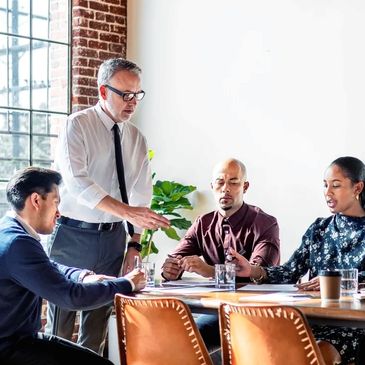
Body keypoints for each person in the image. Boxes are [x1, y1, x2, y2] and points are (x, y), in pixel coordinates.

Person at [45, 58, 169, 354]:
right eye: (125, 94)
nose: (132, 102)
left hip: (113, 239)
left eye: (137, 95)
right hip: (72, 236)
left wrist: (134, 245)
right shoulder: (78, 125)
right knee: (60, 328)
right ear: (103, 92)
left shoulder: (136, 138)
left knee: (96, 329)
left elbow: (141, 194)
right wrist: (127, 212)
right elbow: (77, 182)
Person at [0, 167, 146, 365]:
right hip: (11, 348)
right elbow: (71, 297)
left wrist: (82, 275)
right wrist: (127, 284)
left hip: (19, 340)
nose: (58, 213)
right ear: (36, 200)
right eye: (56, 203)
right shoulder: (18, 242)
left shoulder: (10, 231)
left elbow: (48, 266)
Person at [230, 156, 365, 365]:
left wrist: (336, 283)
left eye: (336, 186)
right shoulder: (319, 229)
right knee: (263, 340)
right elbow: (290, 272)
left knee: (319, 351)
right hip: (313, 318)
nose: (327, 193)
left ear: (358, 188)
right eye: (325, 185)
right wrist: (253, 271)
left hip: (354, 325)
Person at [161, 158, 280, 354]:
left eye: (233, 182)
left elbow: (260, 274)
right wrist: (170, 270)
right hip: (219, 311)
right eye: (220, 182)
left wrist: (209, 271)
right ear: (212, 186)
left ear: (245, 186)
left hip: (258, 314)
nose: (226, 189)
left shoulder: (265, 223)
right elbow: (174, 259)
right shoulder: (203, 223)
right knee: (182, 344)